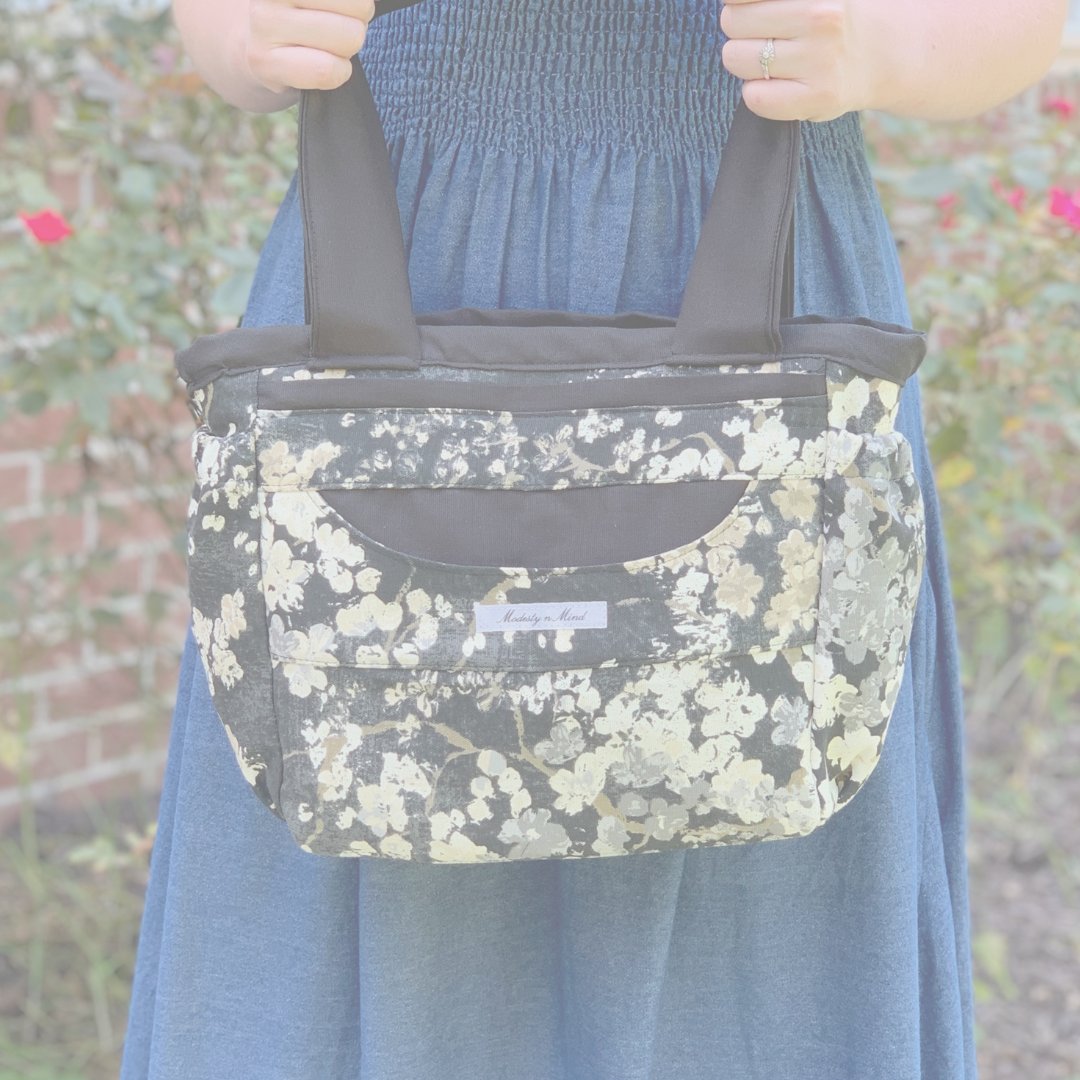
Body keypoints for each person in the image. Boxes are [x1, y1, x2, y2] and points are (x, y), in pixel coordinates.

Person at [120, 1, 1068, 1078]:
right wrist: (250, 32)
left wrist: (877, 42)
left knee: (762, 835)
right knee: (352, 779)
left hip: (756, 287)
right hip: (389, 275)